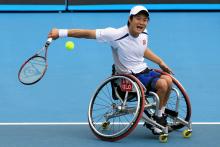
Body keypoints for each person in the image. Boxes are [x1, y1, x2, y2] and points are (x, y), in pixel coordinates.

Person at [48, 5, 173, 134]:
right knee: (163, 84)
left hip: (143, 71)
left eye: (145, 20)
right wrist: (61, 32)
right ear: (130, 19)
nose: (142, 22)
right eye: (138, 18)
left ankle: (159, 115)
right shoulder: (115, 35)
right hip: (129, 77)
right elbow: (88, 33)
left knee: (169, 80)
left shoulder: (144, 33)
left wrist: (160, 62)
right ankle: (158, 119)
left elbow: (141, 49)